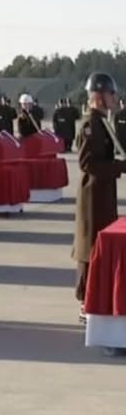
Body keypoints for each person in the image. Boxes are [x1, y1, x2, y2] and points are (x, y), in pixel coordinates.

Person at [74, 72, 126, 320]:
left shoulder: (102, 121)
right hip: (93, 195)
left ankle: (94, 298)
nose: (115, 98)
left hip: (103, 191)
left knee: (98, 246)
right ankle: (86, 301)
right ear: (98, 96)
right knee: (90, 247)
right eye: (110, 93)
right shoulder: (91, 124)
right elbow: (87, 163)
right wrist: (119, 167)